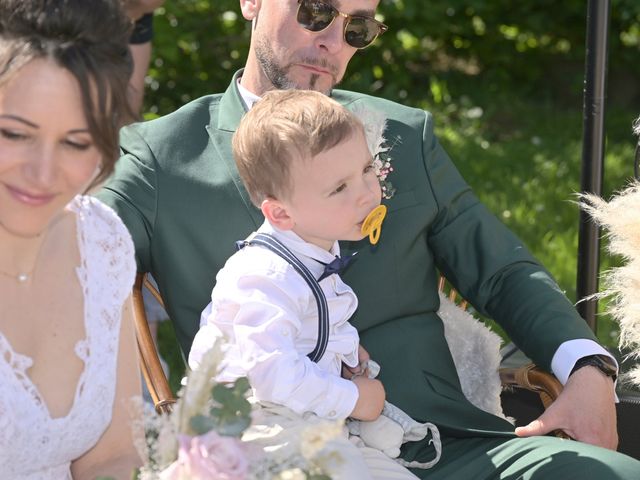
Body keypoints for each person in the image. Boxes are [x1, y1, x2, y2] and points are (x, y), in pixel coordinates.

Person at [97, 0, 640, 477]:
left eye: (356, 27)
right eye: (314, 11)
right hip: (273, 458)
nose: (332, 41)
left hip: (447, 447)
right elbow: (75, 256)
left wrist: (590, 369)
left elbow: (502, 270)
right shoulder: (164, 159)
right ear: (251, 1)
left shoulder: (403, 133)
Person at [189, 89, 435, 479]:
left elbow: (312, 326)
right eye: (339, 188)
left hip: (306, 422)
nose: (367, 194)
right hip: (252, 433)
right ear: (281, 212)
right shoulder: (263, 275)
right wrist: (354, 399)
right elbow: (271, 375)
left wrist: (347, 352)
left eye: (367, 170)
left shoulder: (314, 248)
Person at [0, 0, 142, 478]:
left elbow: (113, 453)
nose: (42, 174)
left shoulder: (102, 244)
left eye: (76, 143)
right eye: (14, 133)